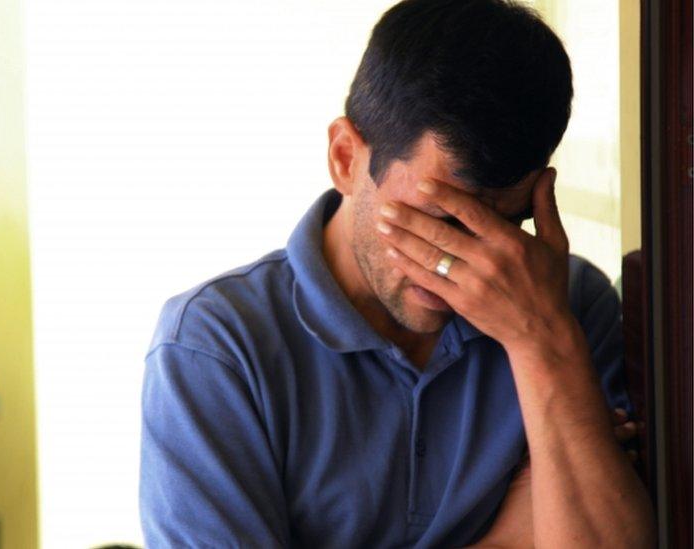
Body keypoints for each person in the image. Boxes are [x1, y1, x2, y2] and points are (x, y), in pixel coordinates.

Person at [139, 0, 655, 547]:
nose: (466, 267)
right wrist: (505, 538)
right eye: (437, 223)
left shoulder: (566, 305)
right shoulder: (214, 347)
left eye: (507, 224)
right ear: (345, 158)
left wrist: (542, 341)